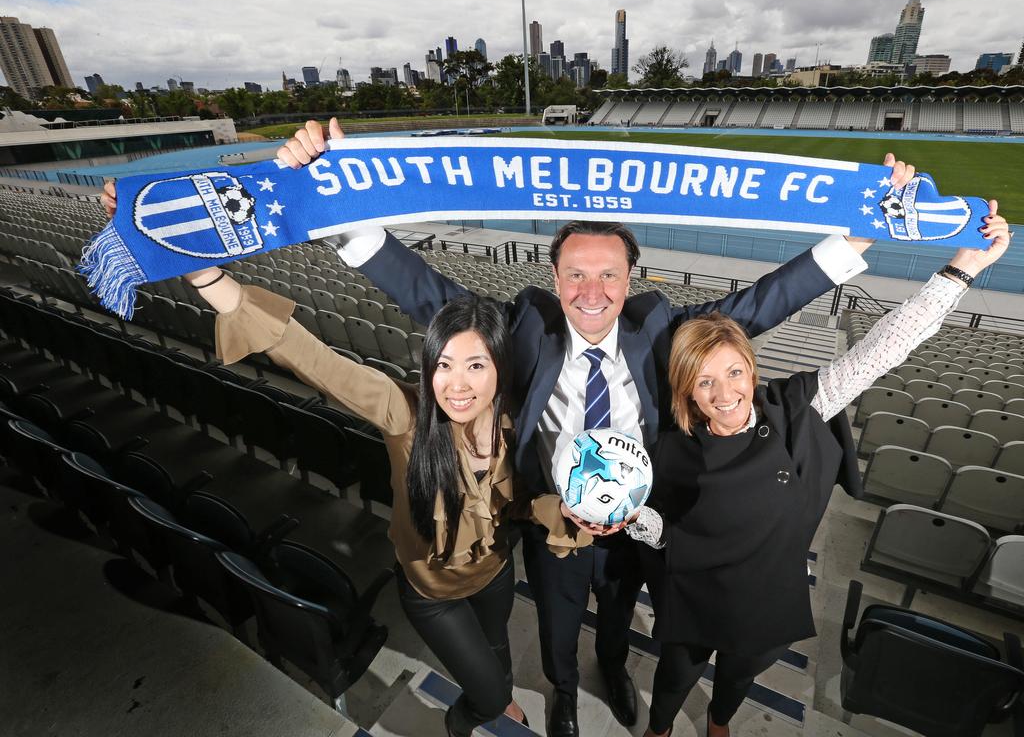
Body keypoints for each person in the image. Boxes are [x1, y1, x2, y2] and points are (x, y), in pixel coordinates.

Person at [276, 118, 911, 737]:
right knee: (557, 618)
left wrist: (853, 239)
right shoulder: (525, 326)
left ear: (630, 279)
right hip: (552, 512)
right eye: (576, 273)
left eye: (609, 273)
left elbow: (757, 305)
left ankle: (611, 665)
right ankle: (561, 690)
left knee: (617, 611)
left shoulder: (659, 326)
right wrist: (338, 204)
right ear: (554, 280)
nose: (592, 290)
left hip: (639, 515)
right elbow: (428, 292)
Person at [97, 184, 600, 737]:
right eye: (444, 365)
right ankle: (466, 720)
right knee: (487, 692)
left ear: (500, 369)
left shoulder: (518, 425)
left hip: (495, 573)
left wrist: (569, 513)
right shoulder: (404, 414)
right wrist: (206, 278)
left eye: (476, 366)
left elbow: (524, 502)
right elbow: (314, 359)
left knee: (499, 650)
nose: (457, 385)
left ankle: (493, 702)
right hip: (433, 594)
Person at [622, 208, 1011, 737]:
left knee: (737, 678)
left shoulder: (796, 410)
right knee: (673, 677)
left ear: (751, 368)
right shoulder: (669, 446)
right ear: (686, 388)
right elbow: (665, 531)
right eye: (704, 381)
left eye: (734, 371)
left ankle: (719, 725)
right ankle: (660, 729)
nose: (725, 394)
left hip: (768, 596)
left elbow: (883, 348)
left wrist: (961, 268)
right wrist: (626, 515)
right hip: (695, 596)